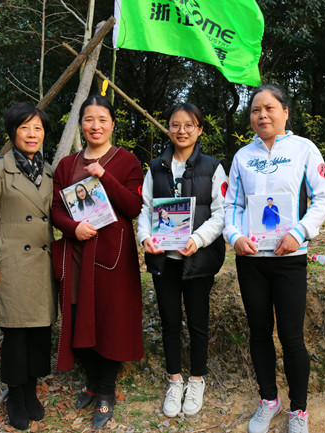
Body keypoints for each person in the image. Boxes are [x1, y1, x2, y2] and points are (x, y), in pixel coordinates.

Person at [223, 84, 325, 433]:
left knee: (291, 335)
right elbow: (232, 204)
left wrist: (299, 233)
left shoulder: (304, 149)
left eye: (269, 108)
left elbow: (322, 197)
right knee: (259, 332)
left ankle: (298, 409)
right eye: (255, 110)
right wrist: (235, 235)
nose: (262, 115)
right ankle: (269, 400)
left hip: (289, 257)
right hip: (251, 258)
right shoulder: (242, 156)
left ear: (285, 112)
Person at [51, 94, 144, 429]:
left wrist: (104, 175)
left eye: (102, 119)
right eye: (89, 119)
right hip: (77, 251)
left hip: (112, 254)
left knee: (111, 320)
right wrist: (73, 227)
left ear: (113, 125)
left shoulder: (127, 161)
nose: (95, 126)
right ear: (81, 124)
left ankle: (105, 390)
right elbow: (56, 208)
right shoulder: (66, 165)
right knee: (77, 316)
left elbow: (133, 207)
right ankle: (91, 380)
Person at [137, 102, 227, 418]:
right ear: (168, 128)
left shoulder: (213, 167)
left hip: (198, 260)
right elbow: (145, 209)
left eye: (189, 125)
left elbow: (221, 213)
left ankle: (197, 379)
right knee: (170, 322)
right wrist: (144, 237)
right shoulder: (156, 167)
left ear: (199, 129)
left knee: (198, 323)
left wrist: (197, 240)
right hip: (164, 261)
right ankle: (175, 381)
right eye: (175, 124)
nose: (182, 130)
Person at [0, 103, 56, 431]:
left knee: (39, 333)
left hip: (42, 265)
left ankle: (31, 390)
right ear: (13, 132)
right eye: (25, 127)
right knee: (16, 335)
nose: (32, 134)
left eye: (38, 128)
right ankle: (15, 396)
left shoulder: (48, 170)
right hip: (10, 265)